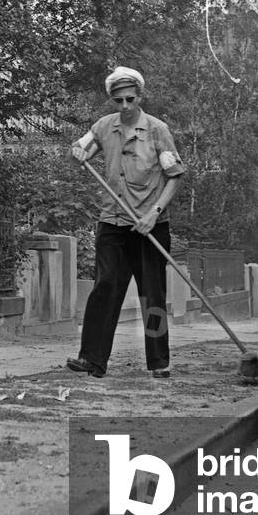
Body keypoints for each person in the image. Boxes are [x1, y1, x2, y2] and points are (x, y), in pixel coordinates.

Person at [67, 67, 186, 379]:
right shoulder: (104, 126)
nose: (124, 106)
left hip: (150, 225)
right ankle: (92, 359)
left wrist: (154, 214)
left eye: (129, 99)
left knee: (153, 295)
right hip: (113, 221)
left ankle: (159, 362)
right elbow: (83, 148)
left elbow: (175, 178)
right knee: (105, 288)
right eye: (118, 100)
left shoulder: (158, 130)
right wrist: (78, 152)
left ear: (140, 97)